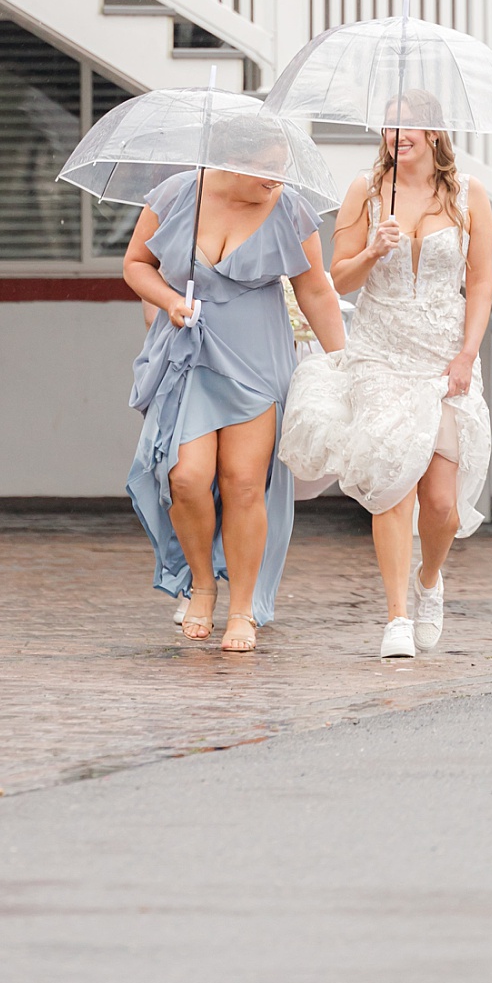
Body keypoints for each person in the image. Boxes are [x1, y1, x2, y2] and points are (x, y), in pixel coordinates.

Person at [280, 114, 492, 659]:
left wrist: (467, 354)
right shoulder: (366, 191)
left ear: (435, 135)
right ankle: (396, 615)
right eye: (390, 127)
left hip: (443, 358)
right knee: (390, 482)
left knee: (440, 504)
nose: (398, 137)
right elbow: (336, 278)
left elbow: (480, 281)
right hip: (379, 355)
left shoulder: (469, 196)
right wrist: (372, 250)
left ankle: (428, 580)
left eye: (410, 127)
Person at [124, 163, 345, 654]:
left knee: (244, 483)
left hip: (257, 359)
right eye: (265, 171)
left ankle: (241, 608)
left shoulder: (288, 210)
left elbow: (314, 290)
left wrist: (343, 365)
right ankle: (202, 583)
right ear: (229, 161)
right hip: (189, 352)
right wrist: (167, 300)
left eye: (281, 170)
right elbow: (136, 263)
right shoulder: (177, 194)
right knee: (184, 477)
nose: (276, 182)